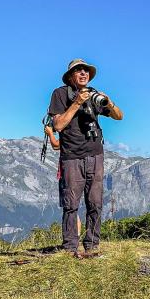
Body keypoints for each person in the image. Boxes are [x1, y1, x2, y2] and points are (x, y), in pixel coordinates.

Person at [47, 58, 123, 257]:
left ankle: (92, 245)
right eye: (78, 71)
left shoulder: (94, 95)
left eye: (86, 71)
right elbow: (58, 125)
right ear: (70, 76)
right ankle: (70, 248)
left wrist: (109, 102)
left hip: (95, 155)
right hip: (71, 157)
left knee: (95, 202)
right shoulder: (60, 94)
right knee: (71, 204)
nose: (83, 74)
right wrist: (77, 103)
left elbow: (119, 116)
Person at [44, 125, 82, 237]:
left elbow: (56, 145)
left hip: (68, 172)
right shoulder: (81, 136)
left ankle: (72, 237)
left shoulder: (71, 135)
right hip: (78, 171)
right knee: (74, 207)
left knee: (70, 206)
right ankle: (77, 236)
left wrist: (50, 133)